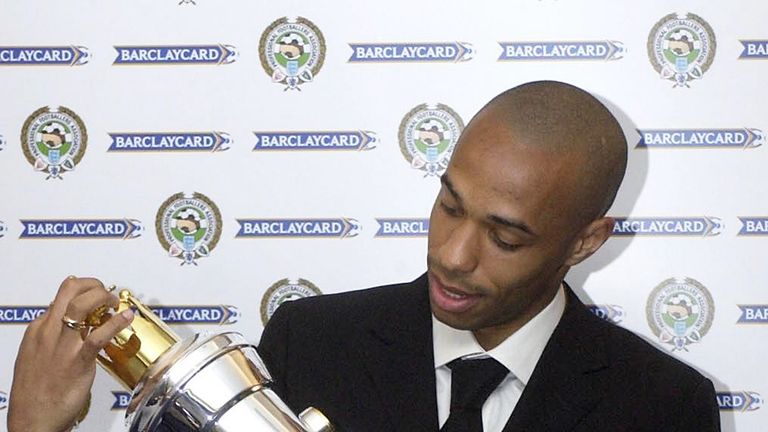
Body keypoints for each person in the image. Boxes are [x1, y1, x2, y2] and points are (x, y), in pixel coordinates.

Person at [7, 81, 720, 432]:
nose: (453, 255)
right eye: (448, 204)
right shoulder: (309, 341)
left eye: (504, 237)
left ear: (586, 241)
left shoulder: (662, 405)